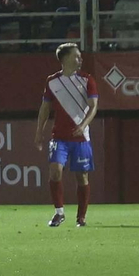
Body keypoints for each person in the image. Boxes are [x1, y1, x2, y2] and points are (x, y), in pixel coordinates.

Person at [35, 42, 98, 228]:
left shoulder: (87, 80)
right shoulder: (52, 81)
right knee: (55, 171)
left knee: (82, 177)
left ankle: (81, 217)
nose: (80, 59)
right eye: (76, 56)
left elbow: (94, 106)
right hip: (59, 137)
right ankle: (59, 212)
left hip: (81, 138)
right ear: (65, 59)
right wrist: (39, 132)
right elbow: (45, 108)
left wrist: (83, 125)